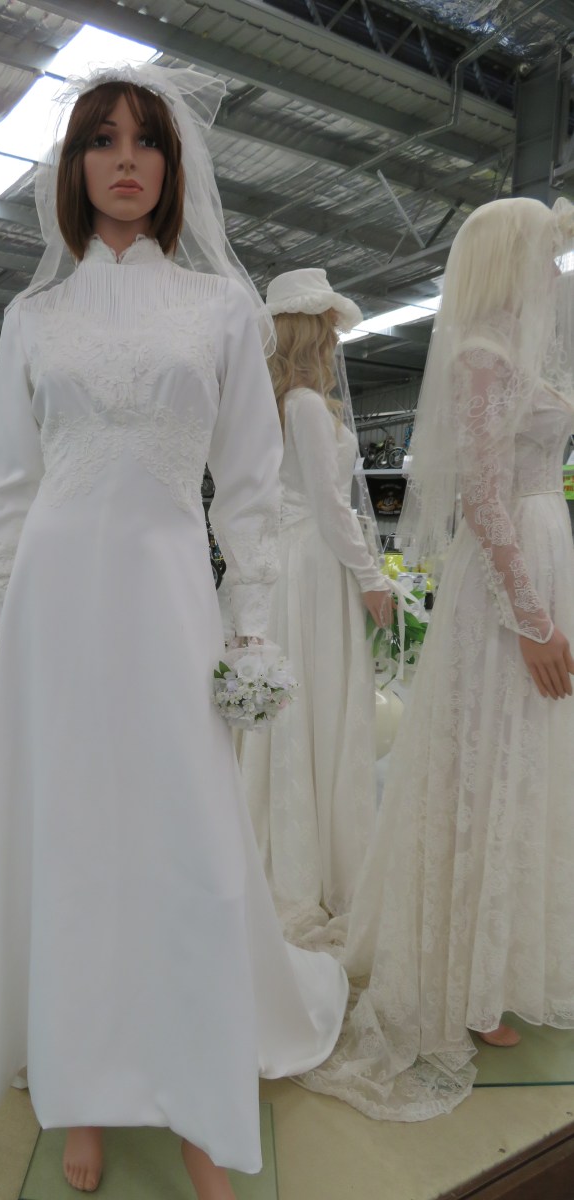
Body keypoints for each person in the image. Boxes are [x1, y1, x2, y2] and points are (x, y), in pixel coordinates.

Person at [0, 61, 347, 1197]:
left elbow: (249, 489)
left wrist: (251, 632)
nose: (125, 160)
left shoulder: (219, 310)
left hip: (168, 599)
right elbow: (8, 487)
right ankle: (79, 1088)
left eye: (145, 142)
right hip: (56, 607)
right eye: (102, 140)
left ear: (172, 168)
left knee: (186, 844)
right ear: (74, 166)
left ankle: (196, 1097)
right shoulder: (32, 318)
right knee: (73, 839)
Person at [298, 196, 574, 1120]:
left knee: (531, 760)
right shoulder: (482, 356)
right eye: (543, 254)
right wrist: (530, 618)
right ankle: (465, 974)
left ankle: (511, 951)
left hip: (544, 553)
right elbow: (483, 500)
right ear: (506, 258)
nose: (553, 271)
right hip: (505, 581)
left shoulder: (528, 352)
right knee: (486, 760)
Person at [239, 270, 391, 946]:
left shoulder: (276, 404)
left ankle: (291, 841)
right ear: (311, 333)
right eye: (328, 330)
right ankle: (314, 863)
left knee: (294, 705)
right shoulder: (303, 405)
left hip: (288, 563)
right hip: (314, 566)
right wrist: (371, 577)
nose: (334, 342)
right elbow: (332, 506)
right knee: (317, 700)